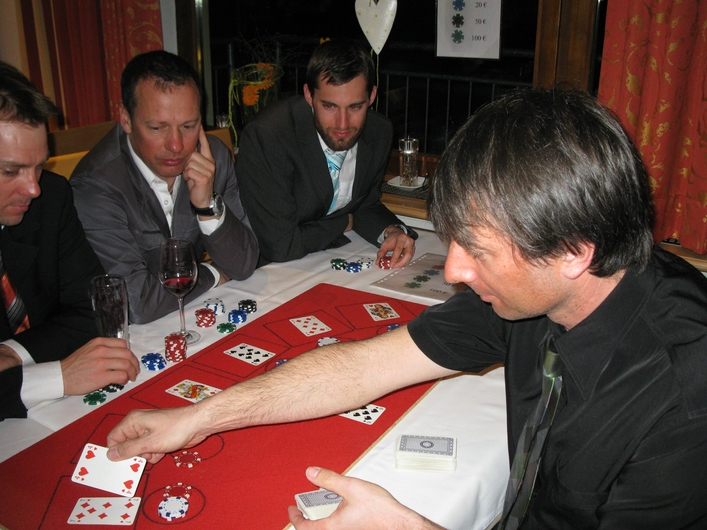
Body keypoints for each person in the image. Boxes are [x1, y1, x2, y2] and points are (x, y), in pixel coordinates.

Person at [106, 89, 707, 529]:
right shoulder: (532, 294)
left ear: (574, 251)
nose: (453, 271)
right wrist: (199, 418)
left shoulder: (684, 402)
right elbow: (361, 367)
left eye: (478, 250)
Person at [71, 51, 259, 324]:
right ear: (126, 119)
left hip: (192, 317)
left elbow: (244, 264)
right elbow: (136, 303)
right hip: (128, 335)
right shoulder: (96, 185)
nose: (176, 145)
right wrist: (212, 273)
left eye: (188, 126)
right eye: (158, 128)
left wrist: (207, 206)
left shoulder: (213, 158)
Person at [0, 62, 139, 420]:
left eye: (39, 167)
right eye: (10, 171)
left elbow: (91, 311)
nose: (33, 188)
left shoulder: (51, 197)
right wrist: (57, 377)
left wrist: (12, 353)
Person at [236, 39, 417, 268]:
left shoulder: (378, 132)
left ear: (372, 96)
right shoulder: (269, 137)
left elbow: (365, 203)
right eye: (329, 106)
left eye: (355, 106)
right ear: (308, 95)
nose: (343, 124)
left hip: (324, 259)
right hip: (266, 269)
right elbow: (279, 245)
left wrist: (392, 231)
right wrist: (343, 222)